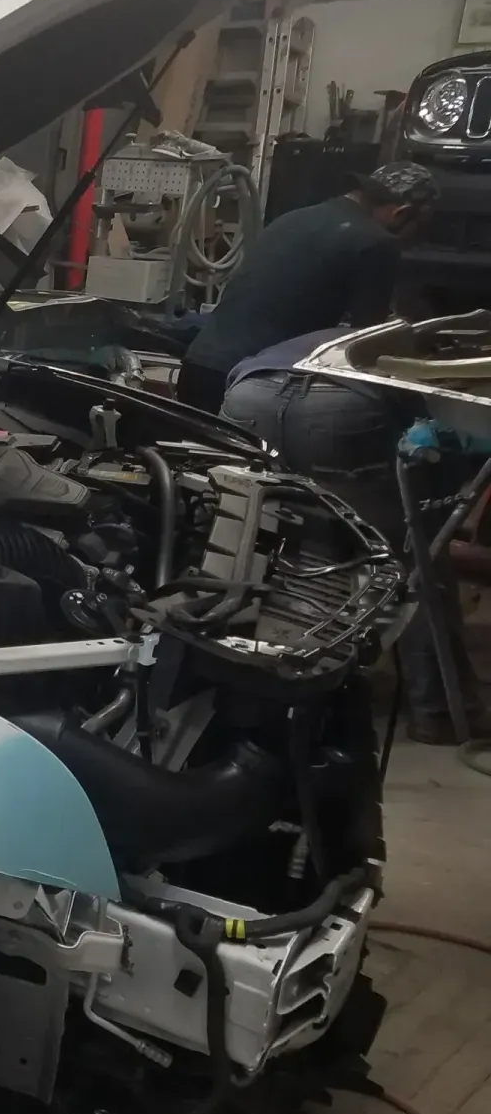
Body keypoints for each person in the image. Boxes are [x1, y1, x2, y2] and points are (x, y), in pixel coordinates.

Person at [221, 328, 487, 744]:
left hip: (251, 391)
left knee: (273, 546)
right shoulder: (467, 363)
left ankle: (254, 689)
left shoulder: (401, 332)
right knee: (414, 558)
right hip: (341, 407)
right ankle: (439, 713)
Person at [176, 163, 440, 413]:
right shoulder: (377, 242)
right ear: (401, 213)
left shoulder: (292, 218)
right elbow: (368, 343)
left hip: (198, 365)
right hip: (252, 384)